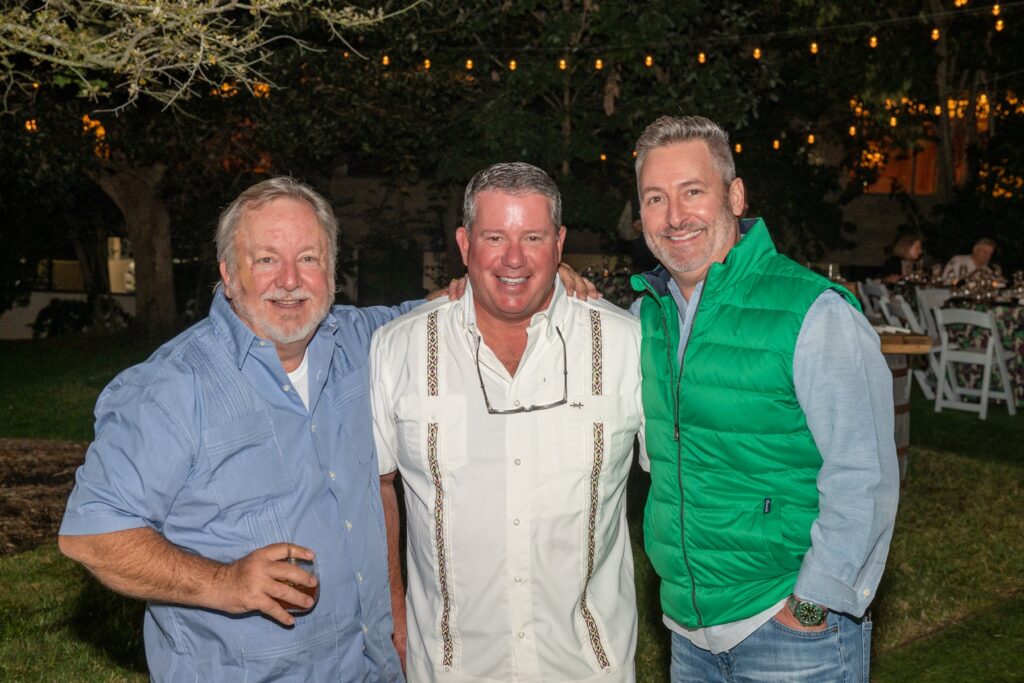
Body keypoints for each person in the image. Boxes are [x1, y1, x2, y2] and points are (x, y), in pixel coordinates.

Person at [58, 177, 415, 681]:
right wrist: (223, 582)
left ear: (332, 272)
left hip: (370, 668)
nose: (290, 280)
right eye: (266, 259)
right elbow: (91, 534)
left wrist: (549, 278)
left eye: (309, 258)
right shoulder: (172, 387)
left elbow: (459, 308)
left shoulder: (363, 344)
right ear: (229, 274)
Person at [629, 116, 899, 682]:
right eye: (656, 198)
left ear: (734, 194)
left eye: (692, 192)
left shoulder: (814, 313)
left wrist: (811, 603)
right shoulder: (645, 318)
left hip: (790, 637)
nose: (675, 216)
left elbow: (863, 474)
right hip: (688, 632)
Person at [372, 162, 644, 682]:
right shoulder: (397, 348)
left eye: (533, 237)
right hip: (451, 668)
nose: (514, 257)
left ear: (560, 244)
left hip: (588, 667)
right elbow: (379, 485)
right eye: (495, 236)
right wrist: (396, 617)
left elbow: (688, 475)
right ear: (465, 243)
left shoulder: (625, 345)